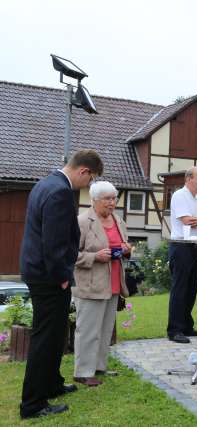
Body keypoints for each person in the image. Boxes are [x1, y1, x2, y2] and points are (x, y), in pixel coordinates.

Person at [19, 149, 103, 419]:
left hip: (39, 271)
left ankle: (52, 383)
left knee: (56, 334)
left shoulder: (46, 183)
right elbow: (53, 242)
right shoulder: (59, 192)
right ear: (83, 171)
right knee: (45, 337)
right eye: (90, 180)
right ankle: (32, 404)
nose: (88, 186)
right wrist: (62, 277)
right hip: (49, 276)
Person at [73, 181, 131, 387]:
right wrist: (94, 256)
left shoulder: (118, 220)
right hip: (90, 284)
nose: (112, 203)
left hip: (113, 281)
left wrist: (126, 249)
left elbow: (124, 244)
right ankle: (82, 371)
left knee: (105, 329)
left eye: (114, 198)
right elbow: (70, 254)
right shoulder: (82, 221)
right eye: (107, 199)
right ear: (94, 200)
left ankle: (98, 366)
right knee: (88, 330)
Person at [167, 167, 197, 344]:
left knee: (191, 288)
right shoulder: (179, 195)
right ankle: (174, 329)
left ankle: (186, 325)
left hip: (196, 245)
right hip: (181, 245)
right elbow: (187, 221)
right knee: (180, 288)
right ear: (189, 178)